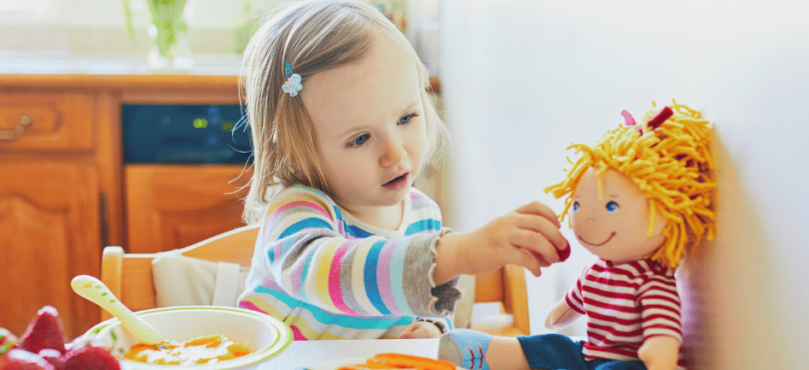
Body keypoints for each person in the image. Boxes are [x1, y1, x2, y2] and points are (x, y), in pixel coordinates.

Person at [237, 0, 568, 340]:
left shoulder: (423, 214)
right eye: (360, 138)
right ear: (297, 150)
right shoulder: (295, 214)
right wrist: (458, 253)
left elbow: (430, 299)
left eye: (406, 118)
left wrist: (432, 327)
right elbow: (331, 275)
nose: (394, 153)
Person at [439, 103, 717, 370]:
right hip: (589, 351)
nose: (585, 219)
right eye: (578, 205)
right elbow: (581, 297)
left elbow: (662, 326)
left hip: (632, 362)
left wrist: (661, 349)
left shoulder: (652, 281)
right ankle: (486, 353)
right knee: (553, 345)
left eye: (611, 206)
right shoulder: (597, 270)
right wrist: (564, 309)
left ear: (665, 211)